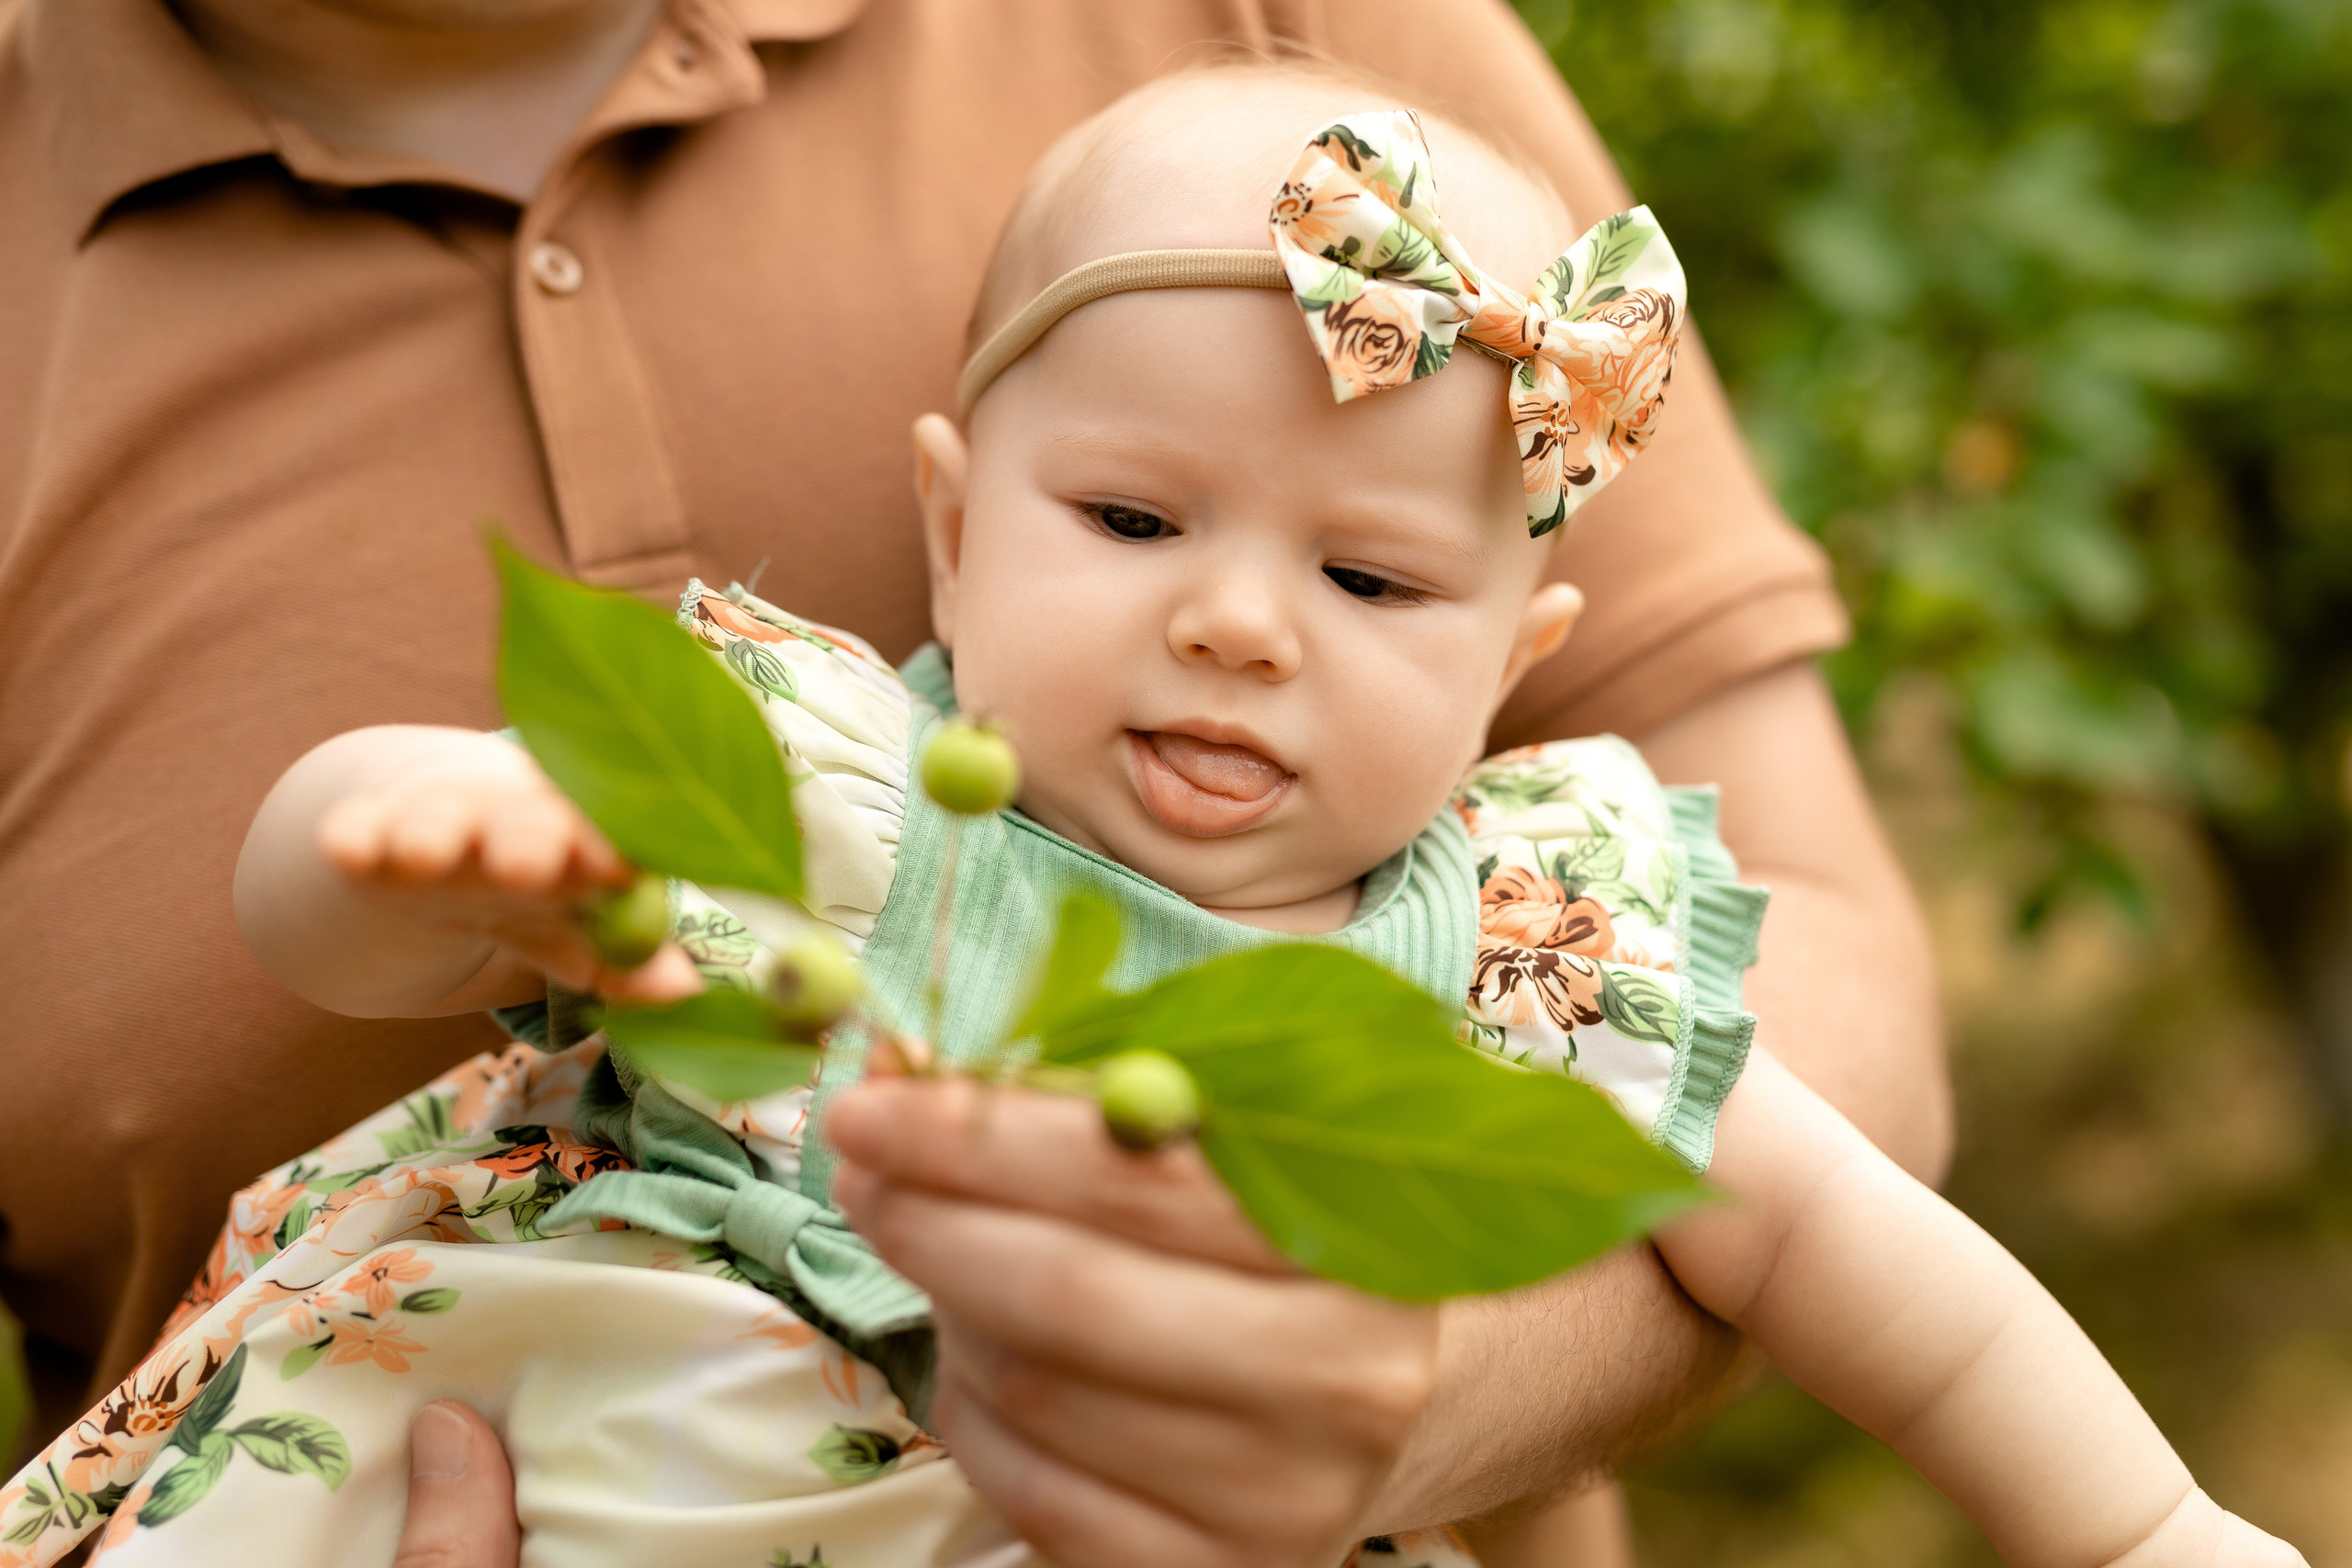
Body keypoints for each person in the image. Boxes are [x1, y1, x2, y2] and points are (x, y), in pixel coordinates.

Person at [6, 72, 2296, 1568]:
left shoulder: (1514, 961)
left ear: (1513, 661)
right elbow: (330, 918)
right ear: (952, 521)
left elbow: (1863, 1258)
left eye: (1370, 580)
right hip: (545, 1464)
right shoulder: (842, 806)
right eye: (1127, 519)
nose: (1235, 623)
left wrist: (2146, 1530)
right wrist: (431, 830)